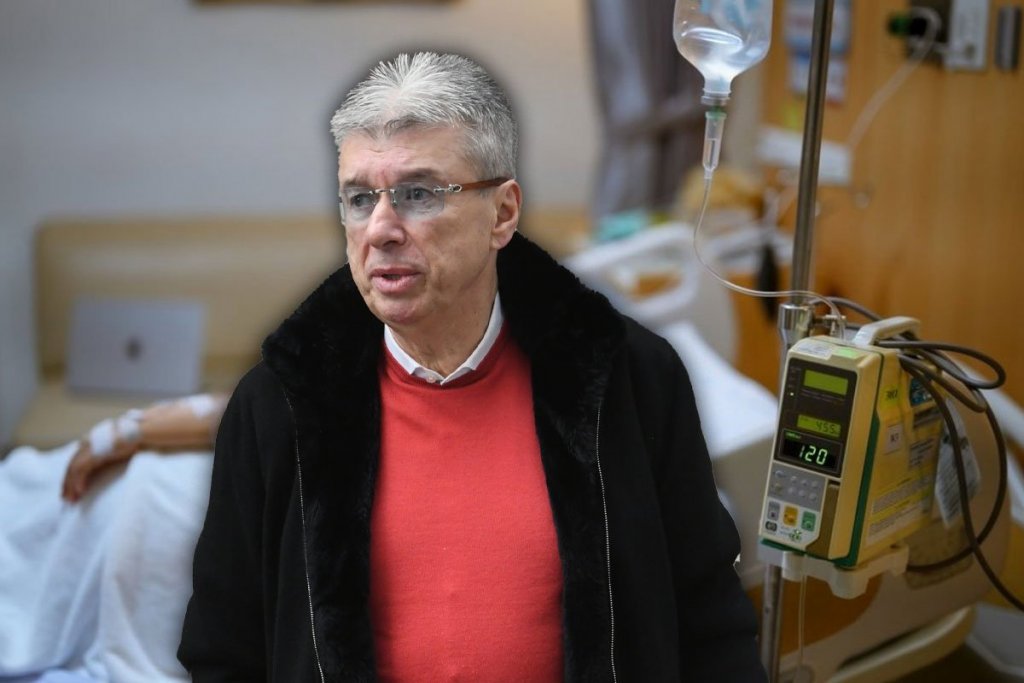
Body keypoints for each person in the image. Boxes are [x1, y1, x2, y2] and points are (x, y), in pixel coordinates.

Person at [178, 51, 766, 682]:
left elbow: (711, 625)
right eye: (359, 198)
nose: (380, 229)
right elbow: (223, 651)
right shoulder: (278, 405)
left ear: (502, 213)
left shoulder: (630, 382)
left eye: (418, 194)